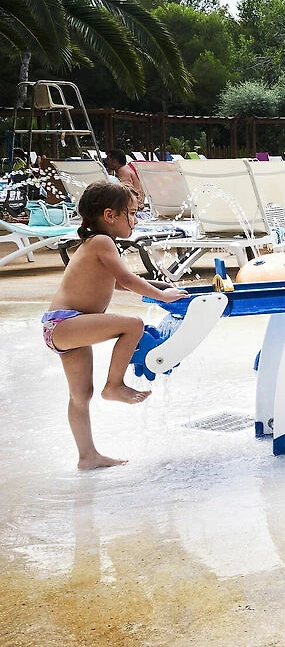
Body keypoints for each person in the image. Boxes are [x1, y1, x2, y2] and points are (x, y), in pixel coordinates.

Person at [43, 182, 187, 469]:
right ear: (110, 215)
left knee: (81, 395)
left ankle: (87, 456)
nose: (135, 220)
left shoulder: (94, 244)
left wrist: (160, 287)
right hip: (67, 324)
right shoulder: (102, 242)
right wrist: (162, 296)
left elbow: (118, 282)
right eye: (131, 213)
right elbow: (127, 279)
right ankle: (114, 386)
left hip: (62, 327)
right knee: (132, 325)